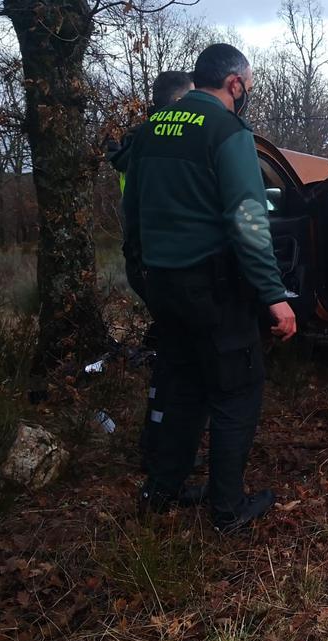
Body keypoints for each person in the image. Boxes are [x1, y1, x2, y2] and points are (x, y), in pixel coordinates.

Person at [122, 44, 296, 533]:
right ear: (235, 84)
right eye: (249, 86)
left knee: (180, 387)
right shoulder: (227, 130)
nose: (247, 95)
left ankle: (163, 489)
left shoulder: (151, 129)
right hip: (213, 289)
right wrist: (273, 294)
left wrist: (142, 275)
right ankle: (226, 508)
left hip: (163, 284)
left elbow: (131, 213)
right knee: (237, 390)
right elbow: (248, 219)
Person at [106, 70, 194, 473]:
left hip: (142, 258)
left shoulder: (138, 141)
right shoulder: (161, 140)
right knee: (183, 355)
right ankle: (163, 452)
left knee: (172, 348)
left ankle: (158, 441)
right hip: (160, 260)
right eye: (192, 98)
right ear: (177, 101)